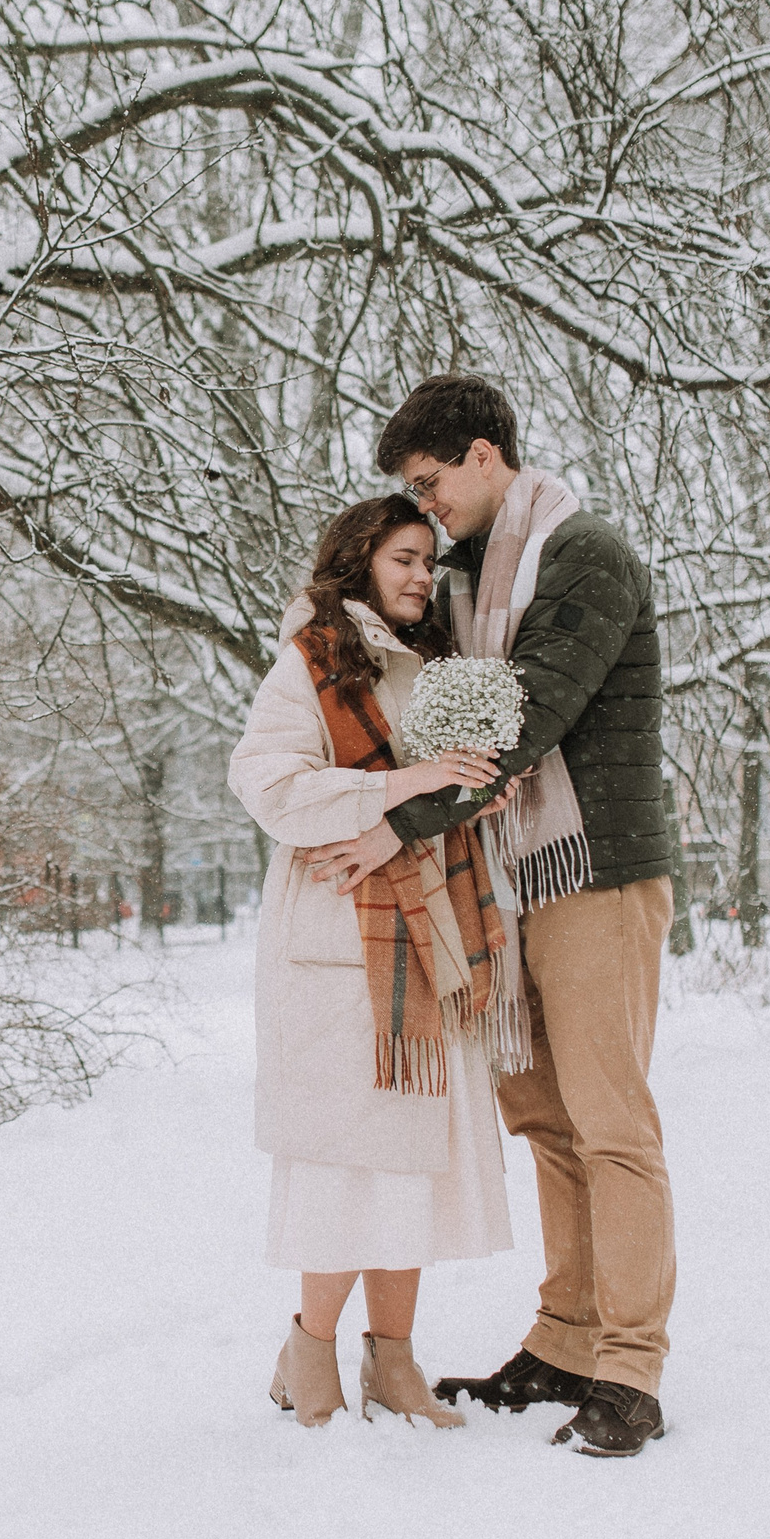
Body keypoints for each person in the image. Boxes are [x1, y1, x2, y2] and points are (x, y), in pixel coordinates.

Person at [305, 373, 681, 1458]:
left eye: (430, 481)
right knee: (543, 1117)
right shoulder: (465, 574)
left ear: (483, 454)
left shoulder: (585, 556)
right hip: (507, 877)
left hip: (593, 869)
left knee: (610, 1120)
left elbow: (518, 714)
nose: (425, 507)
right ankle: (566, 1333)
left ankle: (632, 1367)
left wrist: (395, 824)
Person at [228, 494, 521, 1429]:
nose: (418, 577)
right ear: (358, 560)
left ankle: (393, 1362)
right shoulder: (311, 659)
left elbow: (446, 789)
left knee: (411, 1170)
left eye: (426, 562)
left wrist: (474, 794)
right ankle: (306, 1352)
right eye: (402, 557)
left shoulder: (434, 665)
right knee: (345, 1167)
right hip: (339, 944)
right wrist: (410, 781)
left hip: (424, 942)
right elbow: (268, 786)